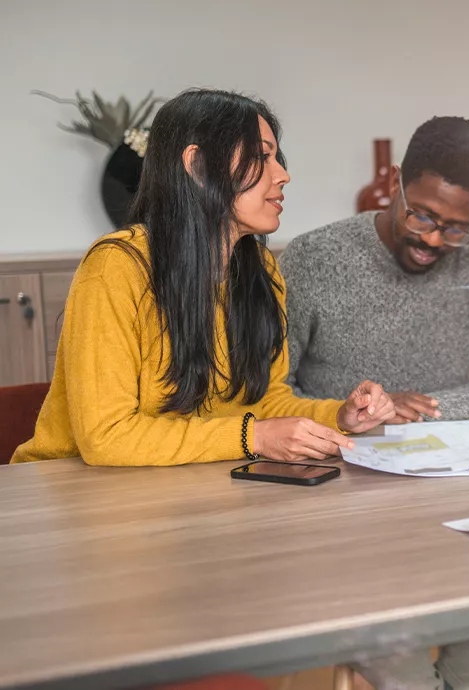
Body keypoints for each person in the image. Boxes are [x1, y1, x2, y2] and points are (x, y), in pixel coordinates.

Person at [12, 89, 394, 467]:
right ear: (197, 166)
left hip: (185, 489)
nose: (283, 175)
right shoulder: (116, 265)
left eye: (277, 157)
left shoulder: (260, 269)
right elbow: (106, 437)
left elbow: (263, 403)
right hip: (64, 492)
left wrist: (339, 417)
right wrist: (253, 437)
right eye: (262, 157)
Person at [279, 116, 469, 423]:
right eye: (422, 216)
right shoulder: (313, 257)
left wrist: (422, 409)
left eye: (457, 228)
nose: (432, 238)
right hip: (338, 456)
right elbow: (270, 394)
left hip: (452, 457)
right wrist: (357, 415)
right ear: (394, 183)